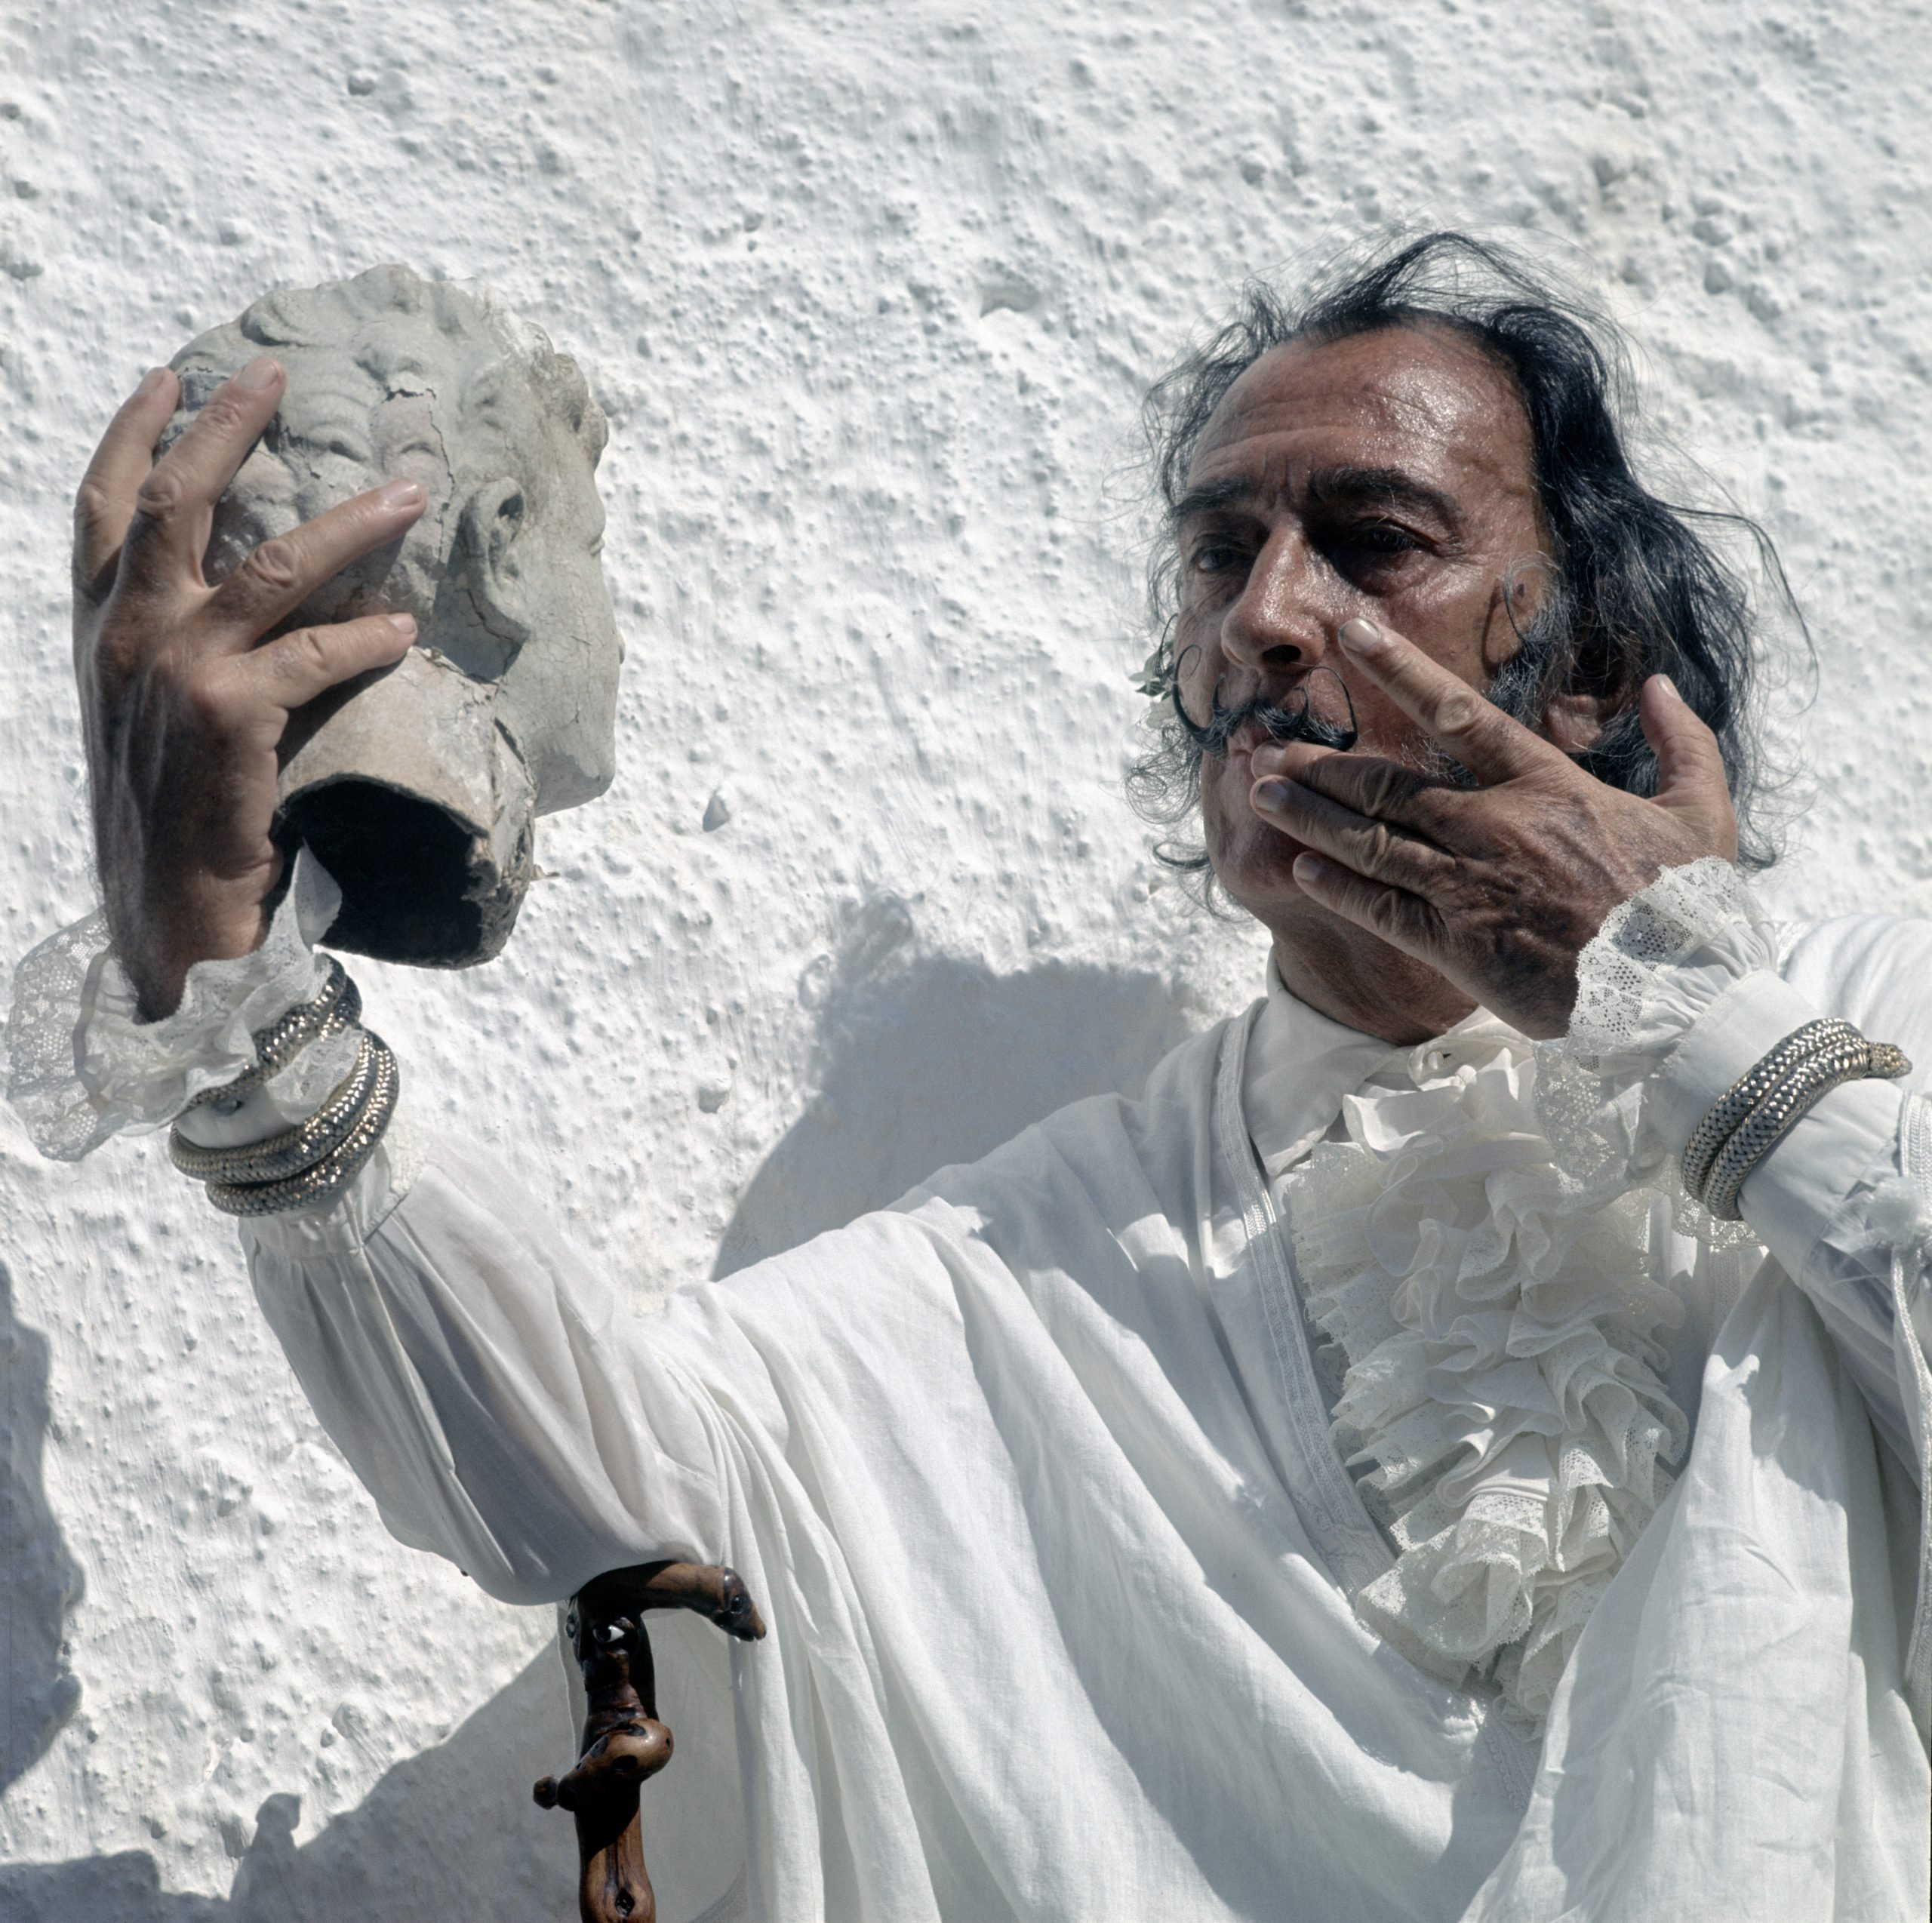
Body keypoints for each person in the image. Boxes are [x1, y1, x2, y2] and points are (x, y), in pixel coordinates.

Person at [12, 234, 1930, 1920]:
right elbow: (591, 1485)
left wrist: (1683, 1016)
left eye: (1370, 541)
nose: (1261, 619)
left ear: (1588, 664)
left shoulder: (1865, 1019)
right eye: (1215, 555)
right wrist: (226, 984)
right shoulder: (1040, 1253)